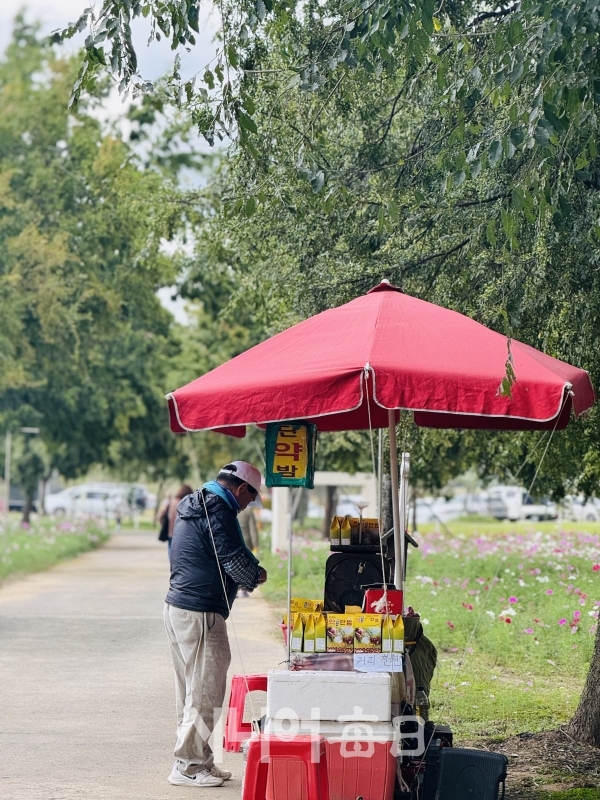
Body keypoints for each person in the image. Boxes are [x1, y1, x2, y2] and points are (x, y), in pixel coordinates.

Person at [163, 461, 268, 788]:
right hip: (200, 611)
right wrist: (255, 576)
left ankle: (200, 760)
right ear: (240, 489)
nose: (247, 505)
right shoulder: (219, 510)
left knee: (191, 691)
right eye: (249, 498)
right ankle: (188, 766)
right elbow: (233, 557)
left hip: (178, 607)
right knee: (206, 691)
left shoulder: (194, 503)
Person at [167, 484, 193, 559]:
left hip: (171, 533)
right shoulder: (188, 504)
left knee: (172, 556)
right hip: (183, 534)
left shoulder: (173, 502)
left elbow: (167, 516)